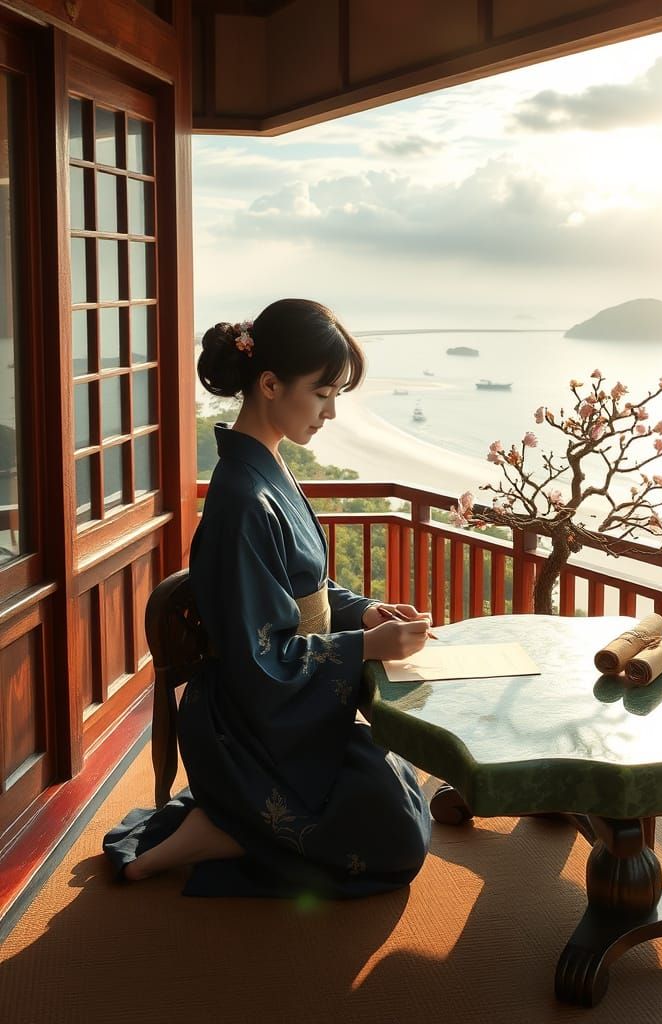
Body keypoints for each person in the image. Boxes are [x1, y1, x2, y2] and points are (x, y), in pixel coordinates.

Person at [104, 298, 433, 898]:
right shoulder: (241, 501)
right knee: (396, 836)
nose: (331, 413)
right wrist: (363, 646)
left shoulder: (268, 469)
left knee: (403, 795)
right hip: (249, 719)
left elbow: (305, 585)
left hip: (279, 707)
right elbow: (262, 660)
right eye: (323, 393)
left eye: (337, 396)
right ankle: (219, 827)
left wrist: (365, 613)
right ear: (270, 383)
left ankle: (227, 825)